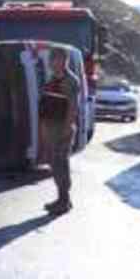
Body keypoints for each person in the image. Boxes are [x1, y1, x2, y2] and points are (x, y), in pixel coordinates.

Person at [39, 47, 79, 215]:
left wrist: (67, 127)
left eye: (58, 59)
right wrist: (42, 126)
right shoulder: (51, 77)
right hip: (50, 126)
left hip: (62, 126)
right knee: (53, 163)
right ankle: (63, 199)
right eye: (53, 58)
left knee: (60, 163)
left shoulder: (70, 80)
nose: (54, 62)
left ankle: (63, 200)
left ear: (64, 61)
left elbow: (72, 106)